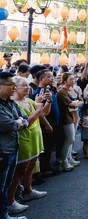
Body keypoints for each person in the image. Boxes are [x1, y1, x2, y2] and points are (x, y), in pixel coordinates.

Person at [7, 76, 50, 215]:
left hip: (35, 138)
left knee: (30, 167)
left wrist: (48, 101)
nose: (27, 87)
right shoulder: (14, 104)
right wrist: (38, 108)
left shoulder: (28, 100)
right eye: (23, 85)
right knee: (19, 172)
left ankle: (28, 190)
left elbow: (44, 112)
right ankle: (11, 201)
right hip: (24, 140)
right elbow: (27, 122)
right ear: (15, 88)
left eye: (27, 85)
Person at [0, 72, 30, 219]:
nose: (14, 88)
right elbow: (9, 125)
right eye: (10, 85)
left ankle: (5, 213)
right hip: (3, 152)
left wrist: (20, 122)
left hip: (13, 148)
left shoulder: (11, 103)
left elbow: (25, 119)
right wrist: (18, 123)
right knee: (1, 186)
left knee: (6, 185)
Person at [56, 73, 83, 172]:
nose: (73, 80)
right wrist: (76, 103)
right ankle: (64, 161)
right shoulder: (61, 92)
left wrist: (76, 103)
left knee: (72, 139)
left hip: (75, 116)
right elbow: (71, 104)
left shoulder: (74, 89)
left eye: (74, 78)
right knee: (69, 139)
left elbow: (81, 100)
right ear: (65, 80)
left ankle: (69, 158)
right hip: (67, 118)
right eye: (71, 79)